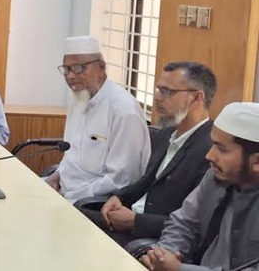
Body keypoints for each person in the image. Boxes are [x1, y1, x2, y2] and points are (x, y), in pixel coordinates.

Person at [81, 62, 215, 245]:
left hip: (156, 239)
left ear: (197, 98)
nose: (157, 97)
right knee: (72, 214)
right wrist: (119, 197)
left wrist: (136, 222)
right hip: (130, 218)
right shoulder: (168, 133)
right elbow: (146, 182)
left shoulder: (210, 150)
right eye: (158, 89)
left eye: (167, 91)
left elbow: (195, 222)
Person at [141, 103, 259, 271]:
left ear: (257, 161)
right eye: (213, 144)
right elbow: (184, 223)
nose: (209, 155)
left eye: (222, 149)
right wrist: (165, 254)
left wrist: (179, 269)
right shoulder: (216, 176)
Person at [46, 36, 151, 203]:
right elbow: (71, 156)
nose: (70, 76)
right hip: (65, 193)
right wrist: (56, 176)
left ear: (101, 68)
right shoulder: (79, 99)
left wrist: (69, 197)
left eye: (78, 68)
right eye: (66, 69)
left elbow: (122, 180)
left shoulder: (123, 110)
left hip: (93, 203)